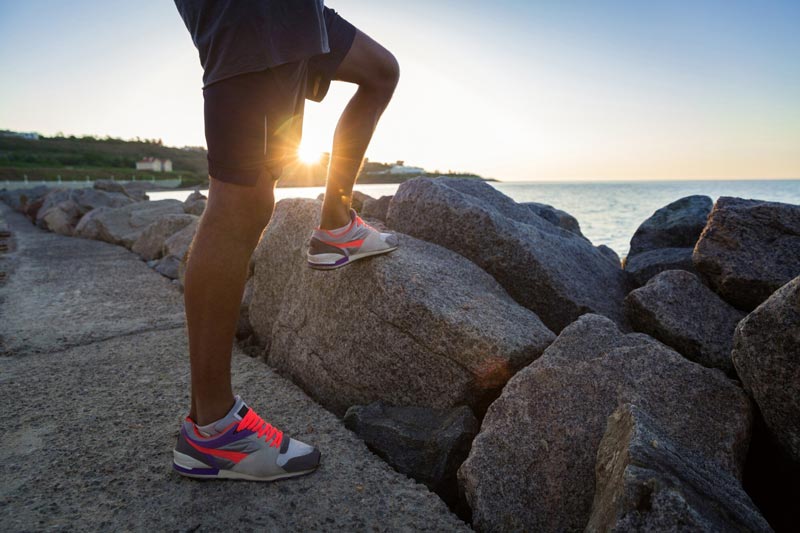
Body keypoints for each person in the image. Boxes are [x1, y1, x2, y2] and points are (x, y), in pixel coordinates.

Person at [171, 0, 400, 481]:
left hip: (297, 13)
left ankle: (336, 225)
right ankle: (213, 430)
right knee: (242, 200)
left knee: (380, 71)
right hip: (249, 13)